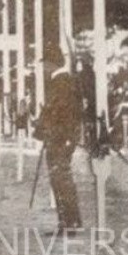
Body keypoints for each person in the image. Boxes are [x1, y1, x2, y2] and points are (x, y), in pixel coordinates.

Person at [36, 49, 84, 234]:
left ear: (51, 64)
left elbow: (60, 113)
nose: (43, 68)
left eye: (45, 64)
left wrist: (46, 125)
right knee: (60, 180)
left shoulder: (61, 83)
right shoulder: (64, 81)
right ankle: (67, 222)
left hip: (59, 138)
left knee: (61, 180)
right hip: (61, 138)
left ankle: (68, 223)